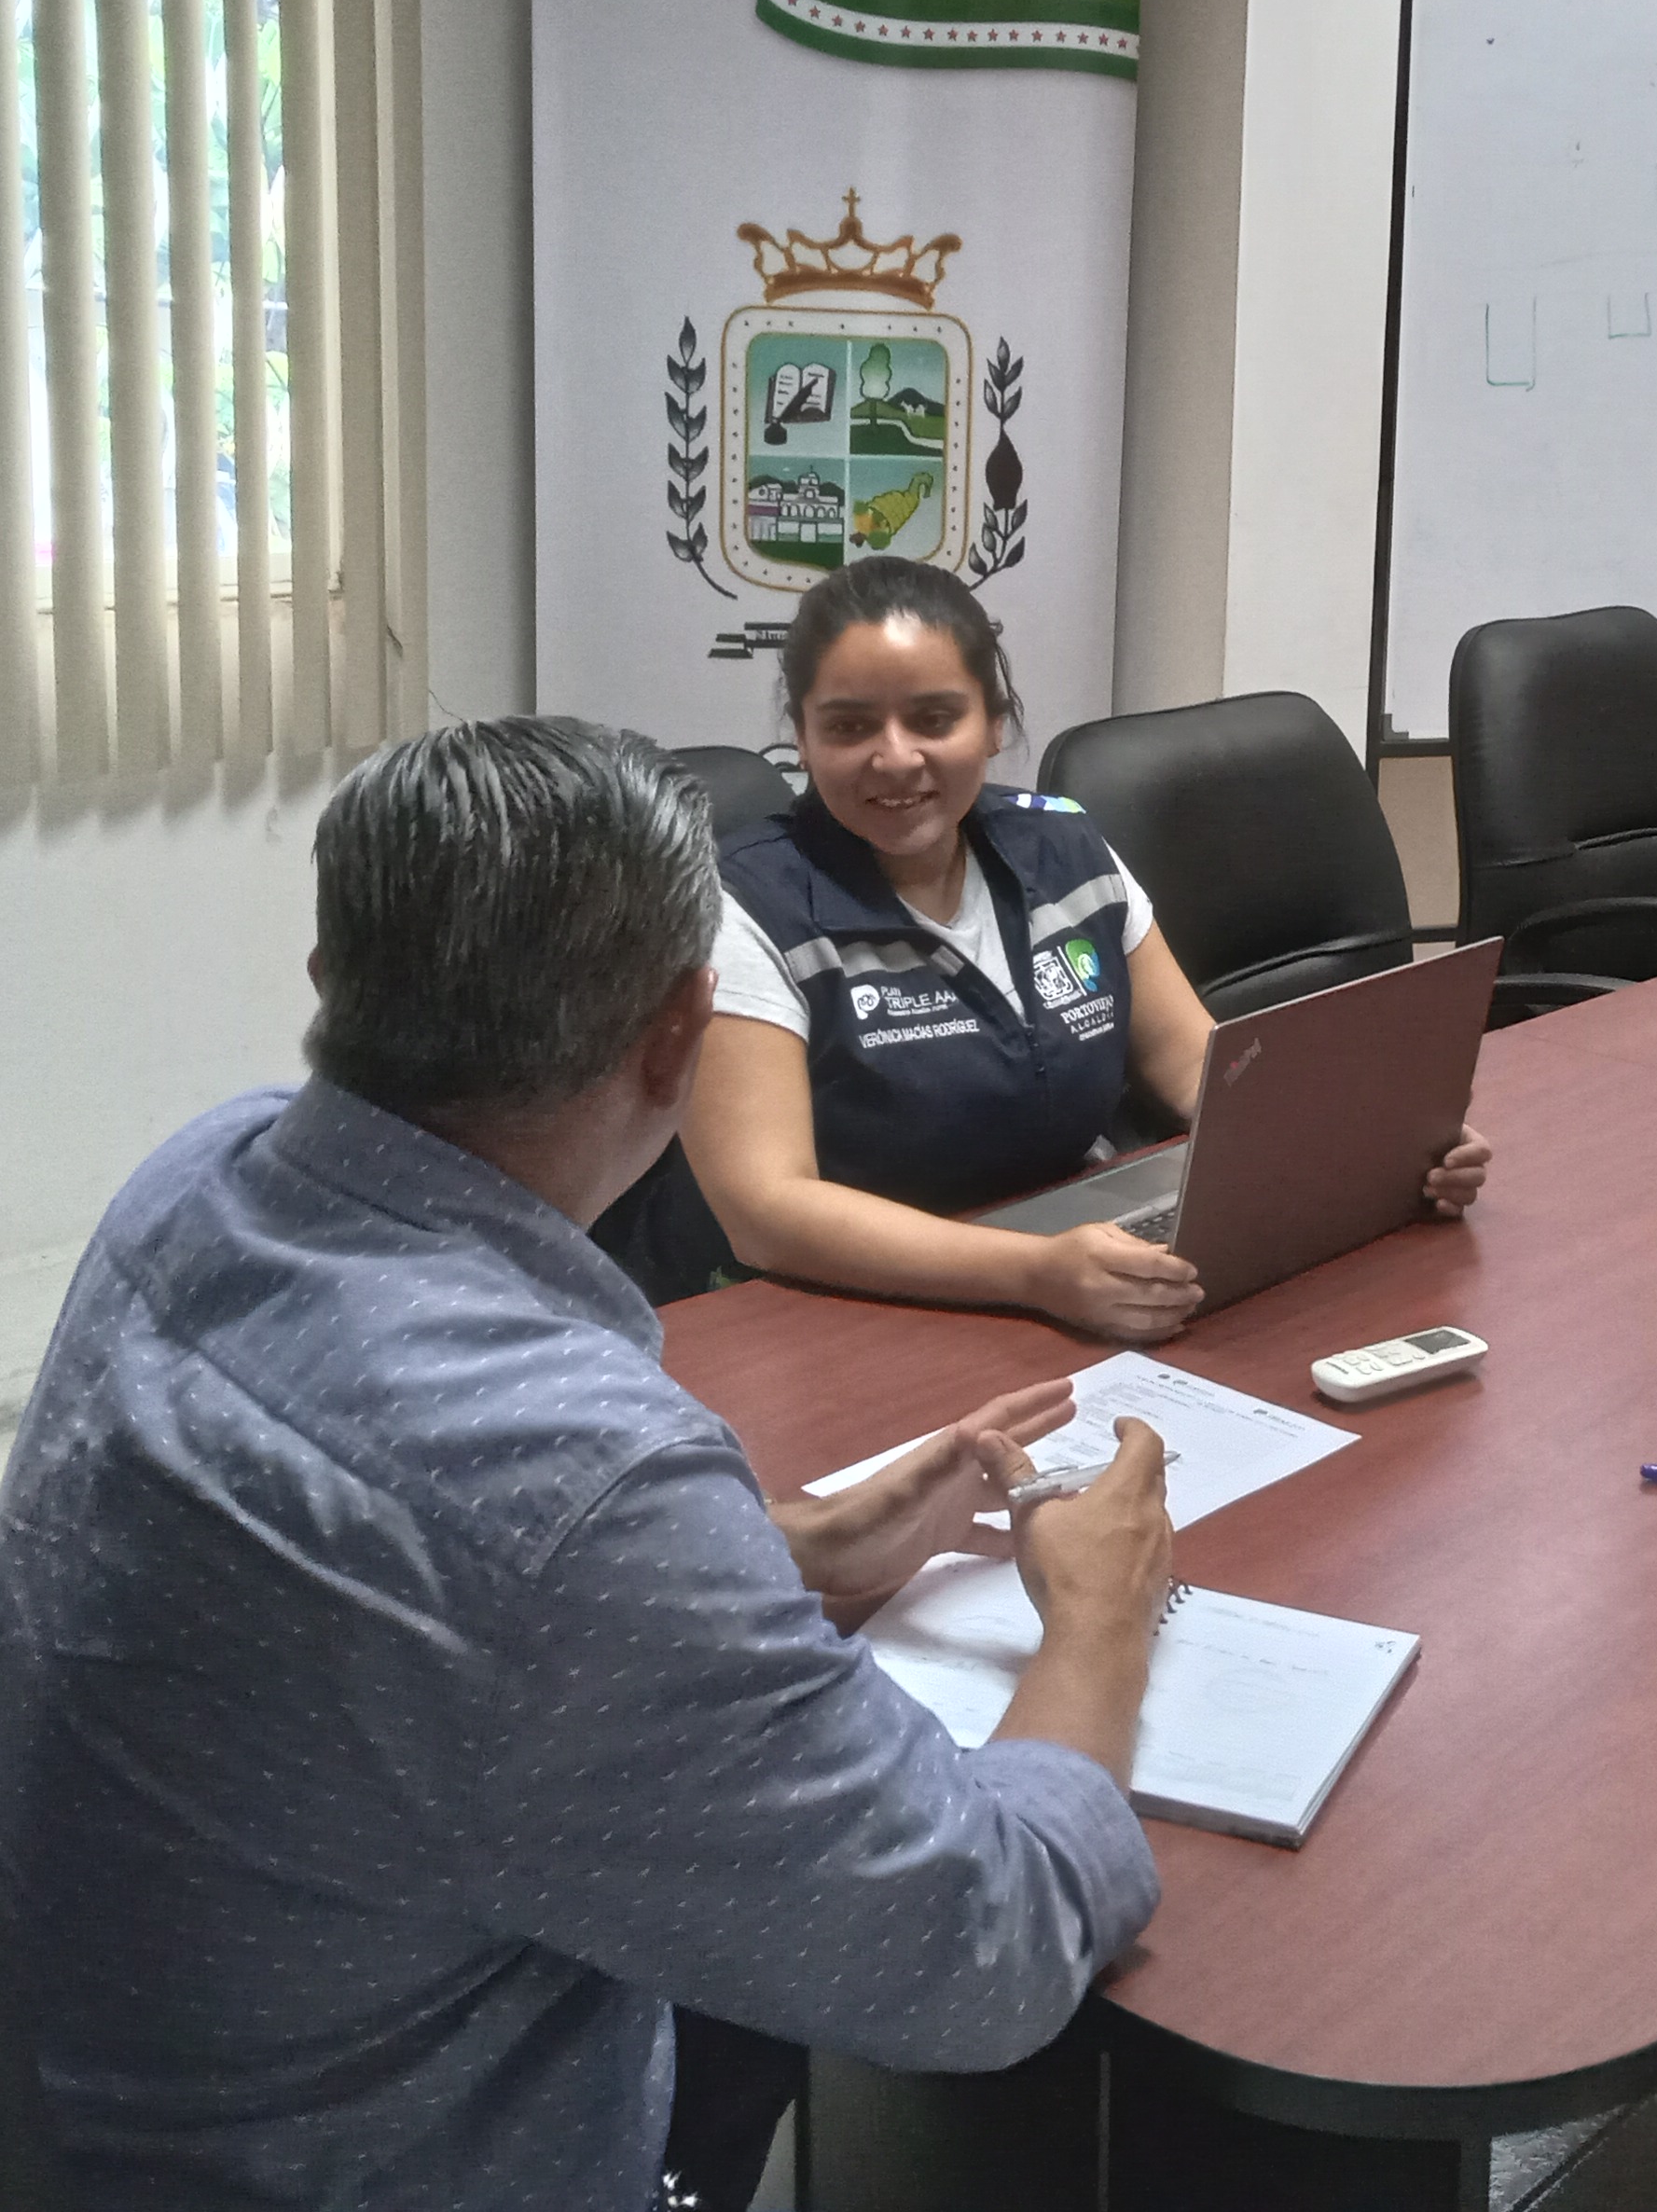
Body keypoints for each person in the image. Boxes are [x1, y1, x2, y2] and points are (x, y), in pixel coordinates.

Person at [0, 717, 1176, 2212]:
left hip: (114, 2082)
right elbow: (987, 1956)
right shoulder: (578, 1487)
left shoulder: (197, 1180)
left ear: (329, 982)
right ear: (683, 1033)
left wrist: (790, 1552)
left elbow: (390, 1559)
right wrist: (1099, 1624)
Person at [670, 556, 1489, 1339]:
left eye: (934, 719)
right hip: (840, 1314)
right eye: (849, 726)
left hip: (1071, 1266)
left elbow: (1197, 1068)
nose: (895, 757)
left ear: (994, 724)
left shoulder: (1063, 847)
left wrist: (1379, 1151)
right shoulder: (744, 904)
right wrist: (1031, 1271)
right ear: (802, 737)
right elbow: (766, 1212)